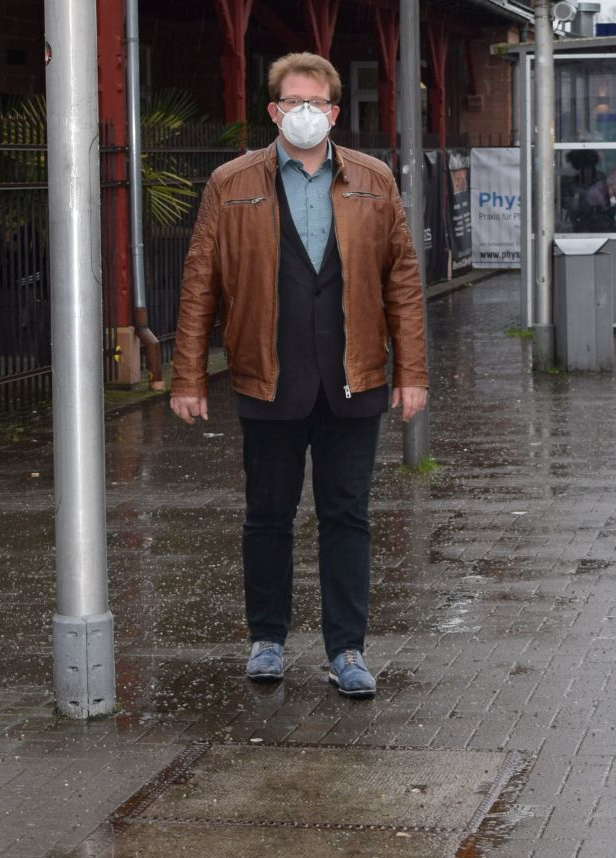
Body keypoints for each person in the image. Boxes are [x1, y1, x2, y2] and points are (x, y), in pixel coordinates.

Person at [170, 52, 428, 699]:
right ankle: (267, 639)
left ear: (335, 112)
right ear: (274, 110)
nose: (304, 112)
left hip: (355, 378)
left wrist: (413, 372)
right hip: (267, 376)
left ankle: (347, 649)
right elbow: (201, 282)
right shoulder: (231, 184)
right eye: (293, 101)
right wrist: (189, 376)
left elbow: (403, 280)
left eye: (317, 102)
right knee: (267, 516)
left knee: (348, 516)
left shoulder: (374, 180)